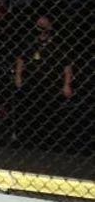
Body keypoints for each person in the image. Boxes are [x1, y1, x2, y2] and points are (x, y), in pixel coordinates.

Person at [12, 14, 75, 150]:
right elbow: (21, 59)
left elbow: (67, 65)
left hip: (51, 84)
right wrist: (18, 75)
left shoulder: (58, 43)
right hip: (31, 83)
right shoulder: (30, 41)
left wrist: (67, 84)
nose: (40, 26)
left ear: (50, 25)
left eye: (43, 23)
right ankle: (27, 140)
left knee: (50, 114)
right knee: (29, 112)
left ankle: (50, 143)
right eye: (38, 23)